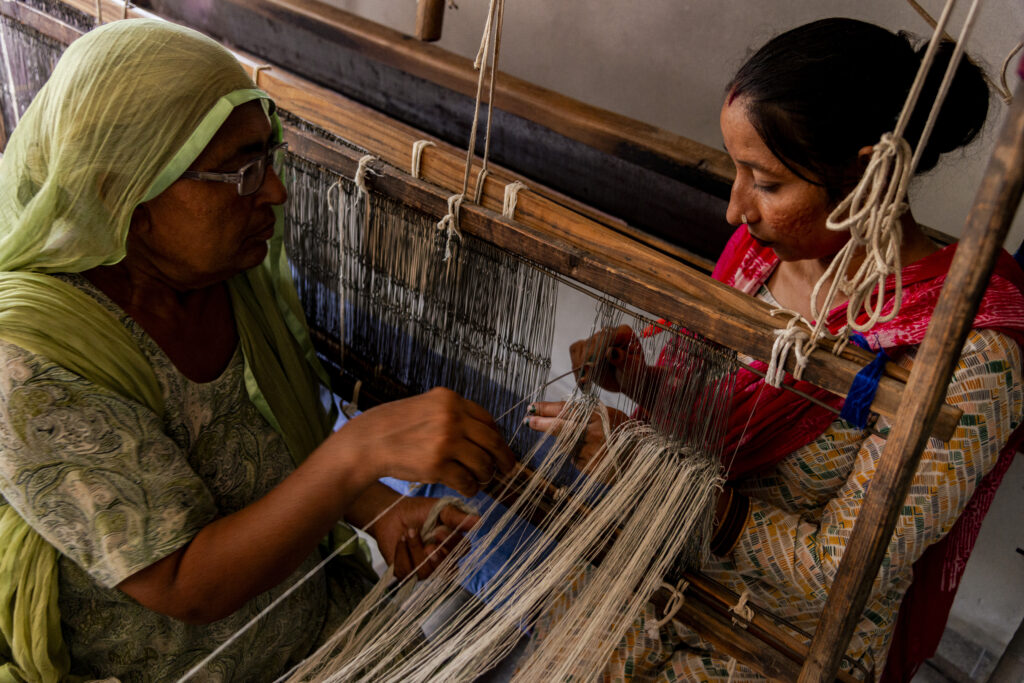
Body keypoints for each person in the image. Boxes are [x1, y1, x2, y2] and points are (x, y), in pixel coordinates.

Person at [0, 19, 515, 682]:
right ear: (118, 191)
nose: (275, 190)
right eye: (241, 170)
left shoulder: (222, 270)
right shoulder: (31, 359)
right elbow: (185, 584)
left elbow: (272, 433)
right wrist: (359, 452)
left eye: (268, 156)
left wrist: (380, 506)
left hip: (317, 627)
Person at [526, 18, 1024, 682]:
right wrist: (645, 386)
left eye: (764, 182)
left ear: (869, 173)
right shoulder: (759, 258)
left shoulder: (968, 359)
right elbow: (723, 429)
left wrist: (644, 471)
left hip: (786, 640)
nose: (735, 211)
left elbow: (834, 577)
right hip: (663, 553)